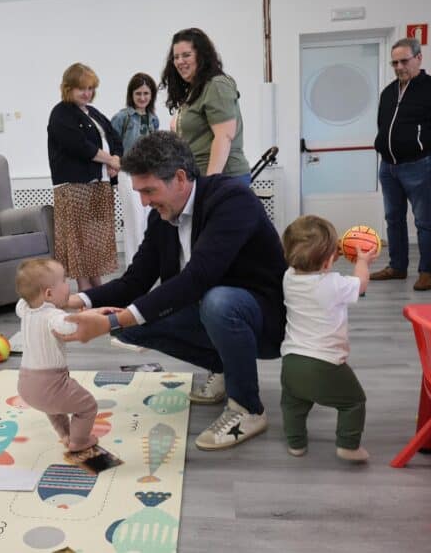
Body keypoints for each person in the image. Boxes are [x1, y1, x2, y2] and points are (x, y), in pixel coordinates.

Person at [58, 131, 287, 451]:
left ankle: (248, 408)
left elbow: (198, 277)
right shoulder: (161, 217)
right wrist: (72, 300)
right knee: (128, 329)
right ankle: (224, 368)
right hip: (213, 311)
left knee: (217, 302)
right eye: (139, 192)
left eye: (149, 190)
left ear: (180, 178)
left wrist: (111, 321)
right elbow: (134, 282)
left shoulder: (233, 200)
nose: (144, 202)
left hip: (265, 320)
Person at [280, 215, 378, 463]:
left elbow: (310, 265)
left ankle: (296, 443)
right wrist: (362, 261)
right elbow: (361, 284)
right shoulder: (334, 284)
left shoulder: (288, 277)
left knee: (293, 404)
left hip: (291, 362)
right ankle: (348, 445)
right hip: (325, 364)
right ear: (327, 262)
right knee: (353, 402)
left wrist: (328, 255)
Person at [372, 37, 431, 291]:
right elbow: (382, 125)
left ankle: (427, 272)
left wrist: (428, 150)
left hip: (418, 166)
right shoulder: (389, 92)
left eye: (404, 61)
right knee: (393, 218)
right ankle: (397, 267)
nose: (399, 67)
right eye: (395, 63)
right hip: (388, 167)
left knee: (423, 220)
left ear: (418, 58)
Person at [47, 63, 123, 292]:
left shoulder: (93, 112)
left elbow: (114, 137)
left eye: (90, 88)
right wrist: (109, 160)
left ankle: (96, 287)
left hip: (100, 183)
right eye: (82, 88)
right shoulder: (61, 113)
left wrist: (116, 159)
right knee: (79, 239)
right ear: (68, 88)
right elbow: (79, 145)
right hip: (75, 186)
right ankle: (85, 289)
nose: (87, 93)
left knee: (94, 239)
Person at [15, 258, 99, 453]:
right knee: (88, 406)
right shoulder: (53, 316)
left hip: (26, 386)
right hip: (51, 385)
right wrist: (84, 317)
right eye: (64, 280)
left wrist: (30, 290)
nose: (68, 284)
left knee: (53, 407)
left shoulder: (25, 310)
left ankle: (65, 435)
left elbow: (23, 300)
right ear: (49, 294)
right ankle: (79, 441)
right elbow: (69, 326)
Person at [161, 28, 250, 187]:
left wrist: (210, 184)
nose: (180, 61)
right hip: (199, 176)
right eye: (176, 57)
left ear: (201, 56)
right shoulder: (194, 90)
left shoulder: (216, 84)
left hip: (223, 178)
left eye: (186, 55)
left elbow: (224, 137)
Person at [111, 73, 160, 266]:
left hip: (149, 173)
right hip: (128, 172)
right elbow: (112, 145)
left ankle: (148, 264)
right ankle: (134, 266)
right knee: (134, 220)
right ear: (131, 94)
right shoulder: (122, 117)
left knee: (148, 219)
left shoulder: (153, 119)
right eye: (138, 93)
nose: (142, 97)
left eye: (146, 93)